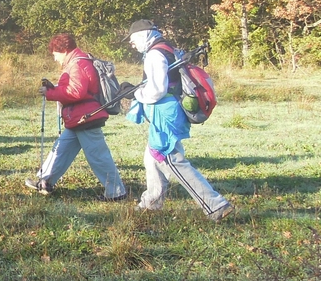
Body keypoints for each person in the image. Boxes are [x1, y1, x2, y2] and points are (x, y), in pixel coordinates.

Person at [122, 19, 234, 221]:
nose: (131, 44)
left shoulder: (155, 55)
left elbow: (156, 91)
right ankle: (151, 203)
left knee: (169, 159)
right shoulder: (166, 48)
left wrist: (135, 94)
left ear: (142, 35)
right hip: (172, 109)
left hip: (165, 112)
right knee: (151, 157)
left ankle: (215, 205)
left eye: (132, 40)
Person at [24, 33, 127, 200]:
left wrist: (51, 93)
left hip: (86, 117)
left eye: (55, 54)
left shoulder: (77, 63)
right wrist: (55, 88)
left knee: (98, 156)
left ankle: (117, 193)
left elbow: (76, 92)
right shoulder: (79, 61)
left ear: (63, 50)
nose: (55, 58)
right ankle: (45, 182)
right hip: (79, 117)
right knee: (61, 149)